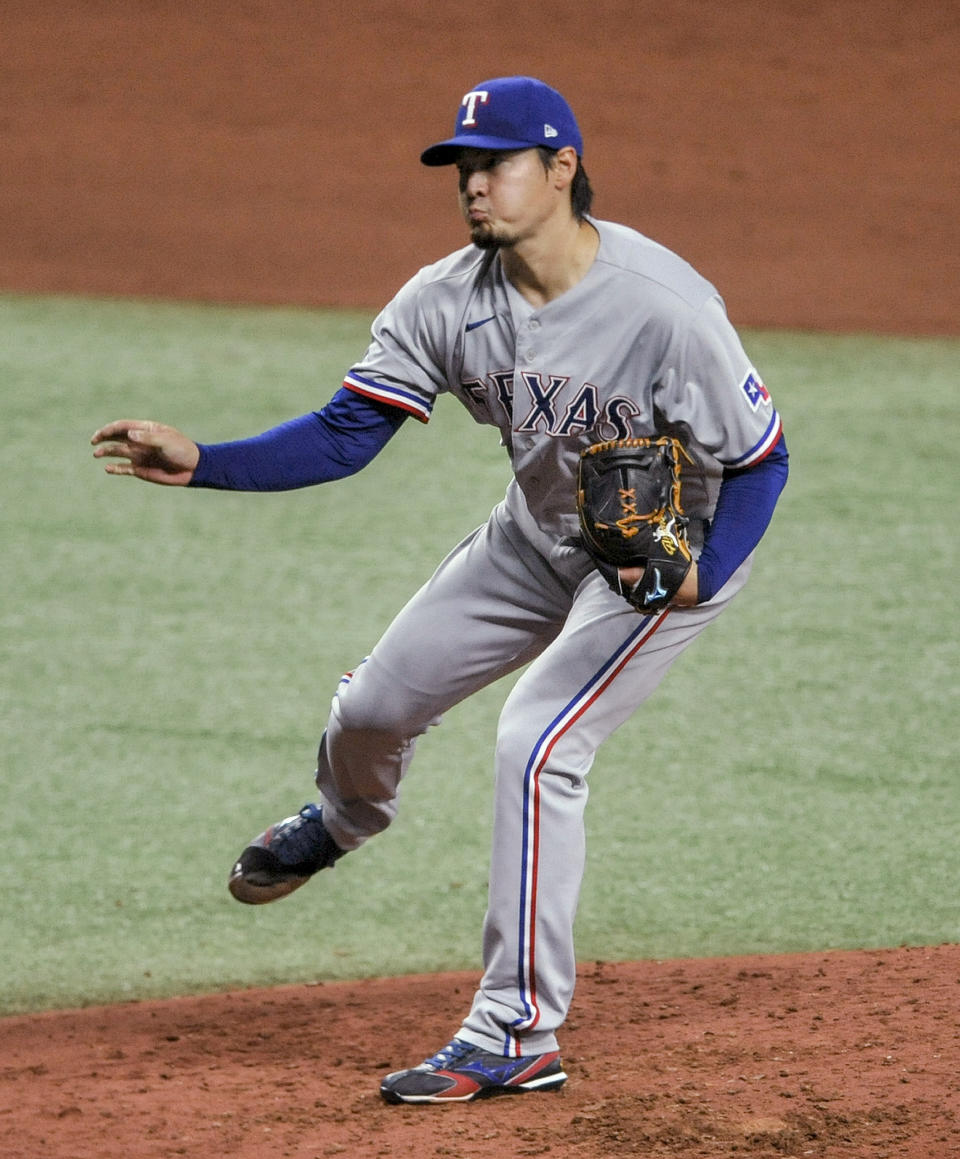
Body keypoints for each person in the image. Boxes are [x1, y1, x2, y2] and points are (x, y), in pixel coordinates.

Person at [91, 75, 788, 1104]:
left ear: (561, 169)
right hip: (536, 536)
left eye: (495, 165)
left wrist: (698, 576)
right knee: (372, 706)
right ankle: (342, 815)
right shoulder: (444, 300)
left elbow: (764, 460)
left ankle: (516, 1027)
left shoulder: (665, 309)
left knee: (538, 739)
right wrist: (205, 458)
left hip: (659, 563)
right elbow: (343, 435)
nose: (473, 187)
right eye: (462, 170)